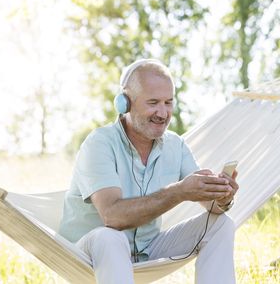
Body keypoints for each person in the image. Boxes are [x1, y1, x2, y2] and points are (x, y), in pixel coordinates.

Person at [58, 58, 239, 284]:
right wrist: (179, 191)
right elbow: (112, 217)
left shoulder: (176, 145)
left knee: (222, 225)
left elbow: (207, 202)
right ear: (124, 103)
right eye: (153, 102)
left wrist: (222, 198)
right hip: (90, 252)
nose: (162, 114)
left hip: (147, 250)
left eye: (168, 103)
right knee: (110, 237)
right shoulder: (99, 143)